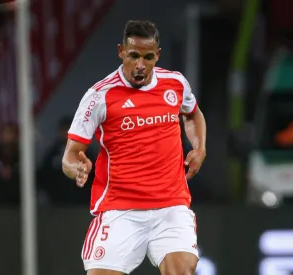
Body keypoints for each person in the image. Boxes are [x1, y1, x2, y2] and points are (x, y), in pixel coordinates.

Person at [62, 20, 207, 275]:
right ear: (121, 52)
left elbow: (193, 114)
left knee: (181, 271)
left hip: (170, 206)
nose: (140, 65)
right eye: (134, 56)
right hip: (120, 209)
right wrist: (77, 167)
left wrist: (200, 147)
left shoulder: (175, 83)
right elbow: (70, 155)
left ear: (157, 55)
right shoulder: (99, 96)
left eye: (148, 57)